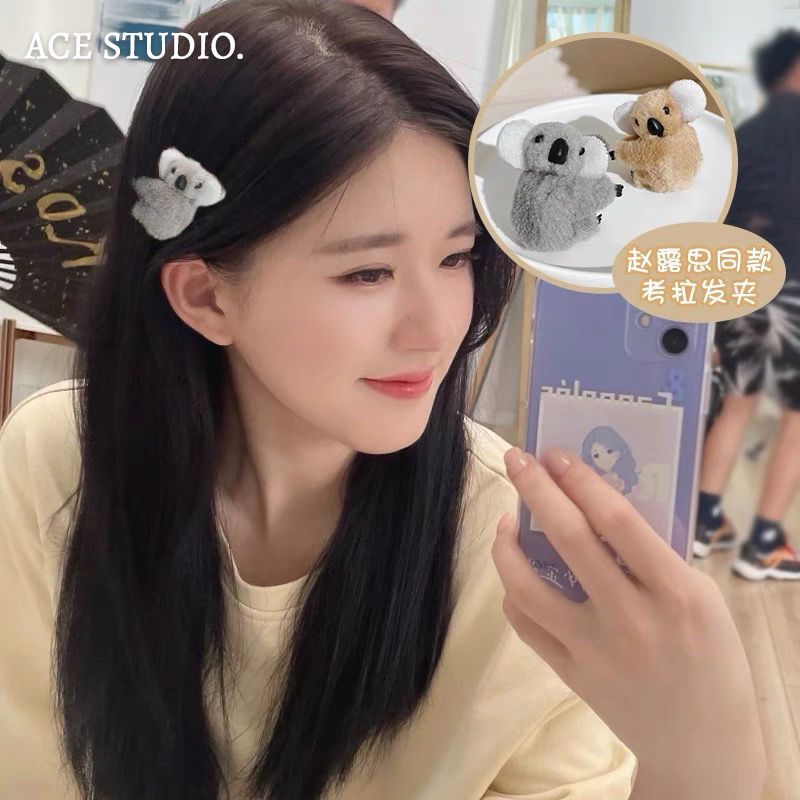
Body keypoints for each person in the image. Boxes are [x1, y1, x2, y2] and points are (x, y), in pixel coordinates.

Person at [0, 1, 764, 798]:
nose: (438, 329)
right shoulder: (58, 463)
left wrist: (709, 752)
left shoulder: (516, 547)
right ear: (206, 296)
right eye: (368, 273)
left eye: (457, 257)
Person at [695, 29, 800, 580]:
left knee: (736, 403)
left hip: (747, 284)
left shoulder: (747, 135)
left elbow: (724, 220)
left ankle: (704, 521)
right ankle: (764, 544)